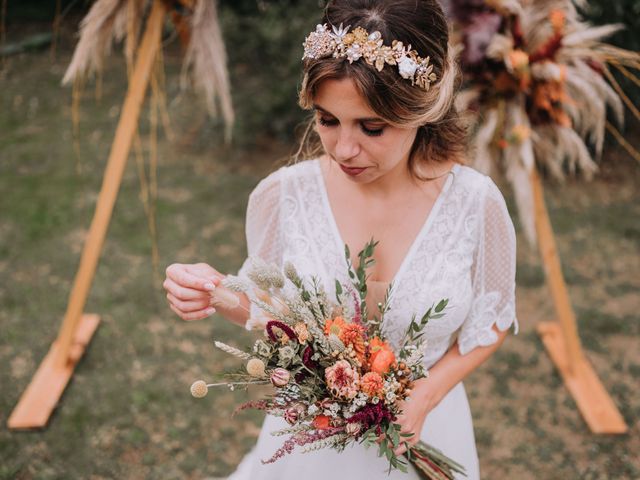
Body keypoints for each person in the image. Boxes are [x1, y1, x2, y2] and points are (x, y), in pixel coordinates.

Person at [163, 1, 518, 478]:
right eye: (327, 120)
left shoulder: (475, 203)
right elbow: (275, 314)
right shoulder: (281, 196)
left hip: (431, 433)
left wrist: (427, 394)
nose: (345, 149)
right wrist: (216, 291)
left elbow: (491, 318)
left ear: (423, 109)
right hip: (310, 448)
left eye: (371, 127)